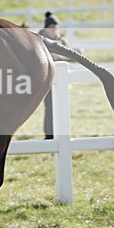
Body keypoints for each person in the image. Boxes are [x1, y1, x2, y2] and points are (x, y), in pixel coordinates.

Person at [38, 11, 68, 139]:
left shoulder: (62, 41)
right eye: (52, 28)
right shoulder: (41, 41)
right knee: (50, 107)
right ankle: (49, 135)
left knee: (62, 107)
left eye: (56, 27)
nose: (55, 30)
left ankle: (60, 134)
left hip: (61, 79)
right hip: (47, 79)